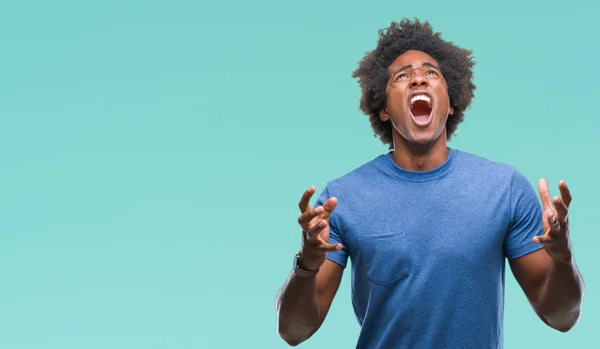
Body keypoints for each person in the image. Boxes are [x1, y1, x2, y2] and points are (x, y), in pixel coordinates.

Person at [274, 18, 585, 348]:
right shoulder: (342, 199)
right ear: (382, 108)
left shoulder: (504, 189)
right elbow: (294, 332)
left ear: (450, 103)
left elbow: (561, 318)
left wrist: (563, 258)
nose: (418, 79)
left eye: (431, 73)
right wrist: (306, 263)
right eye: (402, 75)